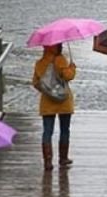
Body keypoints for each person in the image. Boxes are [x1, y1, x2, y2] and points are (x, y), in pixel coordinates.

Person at [32, 43, 77, 171]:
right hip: (63, 101)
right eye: (59, 45)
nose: (61, 46)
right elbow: (69, 76)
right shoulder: (60, 60)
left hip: (47, 102)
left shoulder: (40, 63)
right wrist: (72, 68)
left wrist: (48, 90)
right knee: (64, 129)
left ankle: (47, 161)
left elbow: (35, 82)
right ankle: (63, 158)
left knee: (47, 131)